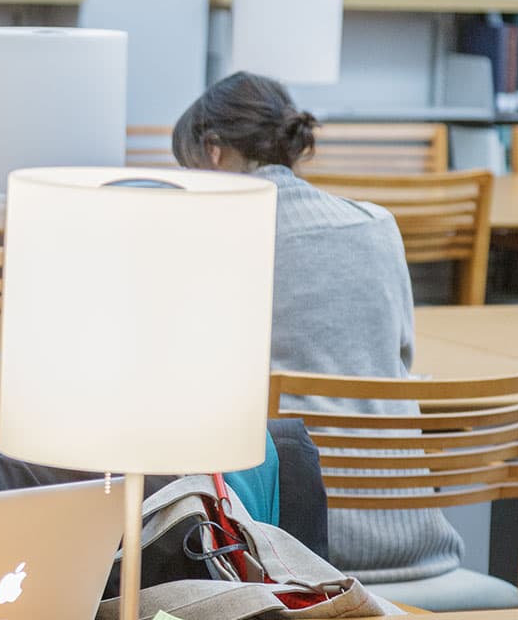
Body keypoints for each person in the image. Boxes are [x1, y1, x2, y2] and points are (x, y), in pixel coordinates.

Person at [170, 70, 466, 588]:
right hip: (412, 532)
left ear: (213, 152)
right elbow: (399, 356)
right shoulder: (376, 223)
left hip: (281, 550)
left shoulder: (206, 237)